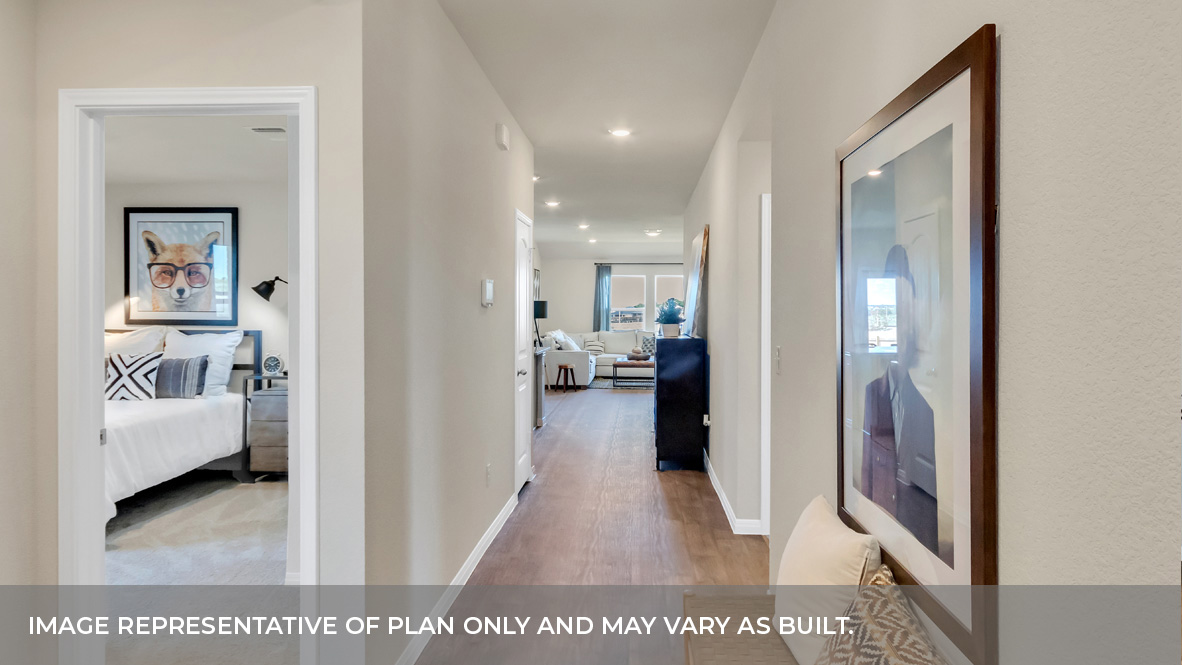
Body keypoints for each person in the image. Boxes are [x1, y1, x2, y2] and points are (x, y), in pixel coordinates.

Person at [861, 245, 939, 554]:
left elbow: (927, 501)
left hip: (909, 543)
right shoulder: (873, 394)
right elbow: (868, 476)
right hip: (878, 534)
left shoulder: (923, 411)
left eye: (902, 321)